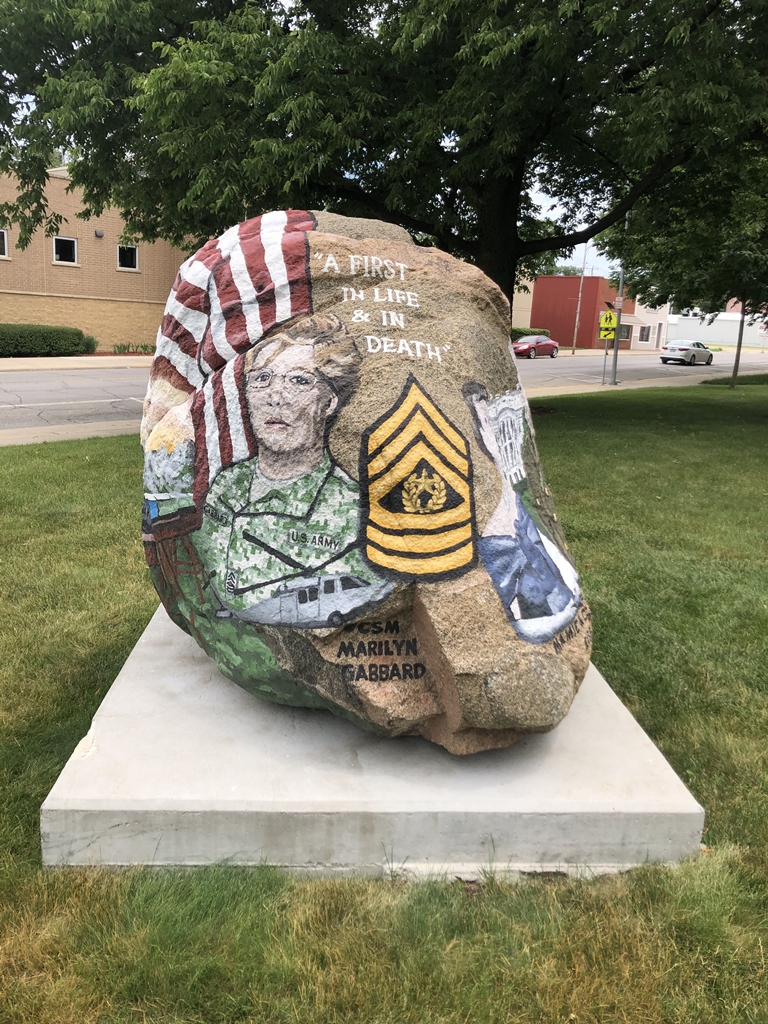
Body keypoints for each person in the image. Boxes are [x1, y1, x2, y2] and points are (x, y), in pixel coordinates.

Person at [192, 313, 391, 626]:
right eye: (262, 379)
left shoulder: (354, 512)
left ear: (328, 403)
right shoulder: (226, 486)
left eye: (299, 380)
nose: (275, 397)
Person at [462, 381, 581, 644]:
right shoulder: (497, 539)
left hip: (514, 522)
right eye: (485, 419)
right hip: (528, 610)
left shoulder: (518, 511)